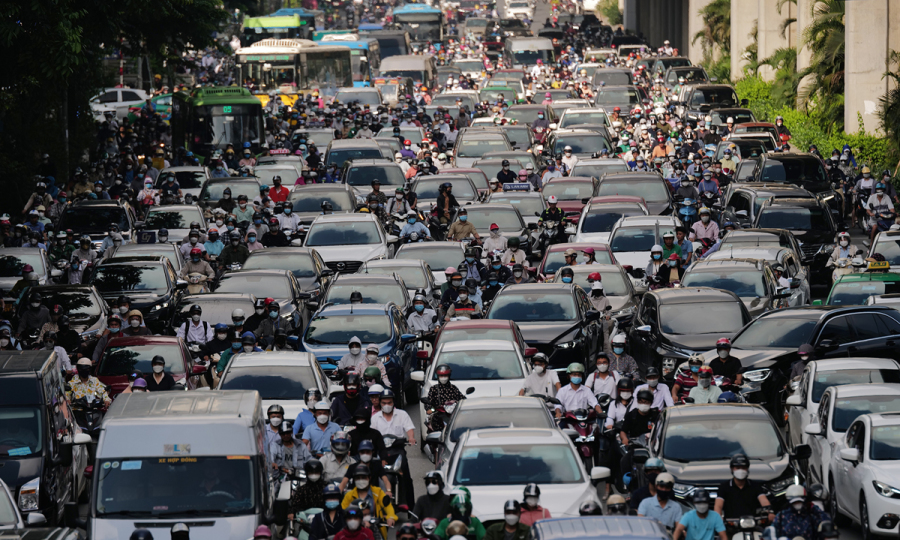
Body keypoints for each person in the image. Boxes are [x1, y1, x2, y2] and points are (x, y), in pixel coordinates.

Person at [370, 389, 415, 505]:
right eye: (384, 403)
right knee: (372, 475)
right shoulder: (375, 418)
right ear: (380, 403)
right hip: (381, 451)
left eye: (389, 403)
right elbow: (372, 433)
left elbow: (409, 428)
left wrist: (411, 437)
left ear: (393, 402)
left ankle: (409, 506)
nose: (387, 405)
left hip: (398, 450)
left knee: (406, 476)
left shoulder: (402, 414)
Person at [714, 454, 774, 522]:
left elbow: (764, 501)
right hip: (731, 524)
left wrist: (770, 513)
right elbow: (718, 506)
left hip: (753, 523)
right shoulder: (724, 487)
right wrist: (718, 517)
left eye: (743, 467)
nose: (741, 470)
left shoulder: (755, 486)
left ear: (747, 469)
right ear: (732, 469)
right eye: (737, 468)